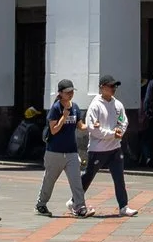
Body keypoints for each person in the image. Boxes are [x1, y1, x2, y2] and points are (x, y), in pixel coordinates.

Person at [84, 74, 136, 216]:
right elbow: (93, 129)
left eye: (115, 86)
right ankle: (75, 200)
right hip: (98, 149)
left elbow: (123, 121)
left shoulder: (118, 104)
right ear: (102, 88)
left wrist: (120, 131)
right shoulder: (95, 106)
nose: (114, 89)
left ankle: (123, 206)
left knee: (119, 178)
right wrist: (111, 134)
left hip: (115, 148)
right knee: (88, 175)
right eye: (111, 86)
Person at [36, 79, 86, 218]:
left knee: (76, 181)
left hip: (71, 152)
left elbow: (80, 126)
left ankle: (80, 206)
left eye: (71, 91)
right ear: (60, 93)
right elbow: (54, 130)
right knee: (49, 180)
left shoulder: (75, 107)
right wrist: (64, 117)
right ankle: (41, 204)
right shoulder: (56, 108)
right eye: (67, 92)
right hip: (54, 152)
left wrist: (93, 126)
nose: (70, 94)